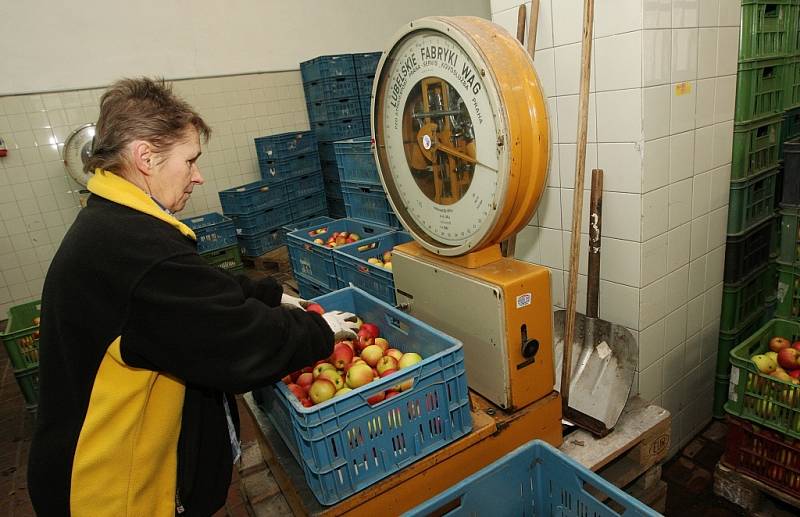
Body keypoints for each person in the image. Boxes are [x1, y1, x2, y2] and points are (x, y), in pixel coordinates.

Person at [27, 77, 355, 516]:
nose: (197, 176)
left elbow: (194, 289)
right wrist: (321, 329)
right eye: (190, 160)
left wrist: (273, 296)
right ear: (145, 157)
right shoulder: (137, 251)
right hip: (114, 494)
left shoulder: (116, 223)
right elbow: (241, 347)